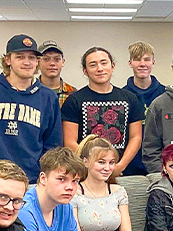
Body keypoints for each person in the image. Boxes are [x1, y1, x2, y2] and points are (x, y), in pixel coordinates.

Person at [0, 34, 62, 183]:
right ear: (8, 60)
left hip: (31, 182)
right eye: (20, 57)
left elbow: (53, 147)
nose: (27, 62)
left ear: (37, 62)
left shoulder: (48, 98)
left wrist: (42, 177)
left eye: (32, 58)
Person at [62, 47, 146, 177]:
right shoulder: (74, 101)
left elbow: (136, 137)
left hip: (123, 173)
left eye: (104, 63)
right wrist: (92, 167)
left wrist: (119, 166)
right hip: (86, 174)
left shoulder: (130, 99)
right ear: (85, 71)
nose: (99, 68)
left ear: (112, 66)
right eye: (93, 65)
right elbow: (70, 142)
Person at [123, 41, 166, 112]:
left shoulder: (165, 94)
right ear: (130, 63)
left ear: (153, 63)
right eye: (137, 59)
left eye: (147, 60)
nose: (142, 64)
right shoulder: (122, 96)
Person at [37, 40, 76, 107]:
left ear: (63, 62)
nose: (52, 63)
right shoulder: (29, 91)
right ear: (37, 62)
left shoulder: (72, 93)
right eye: (46, 59)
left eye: (57, 59)